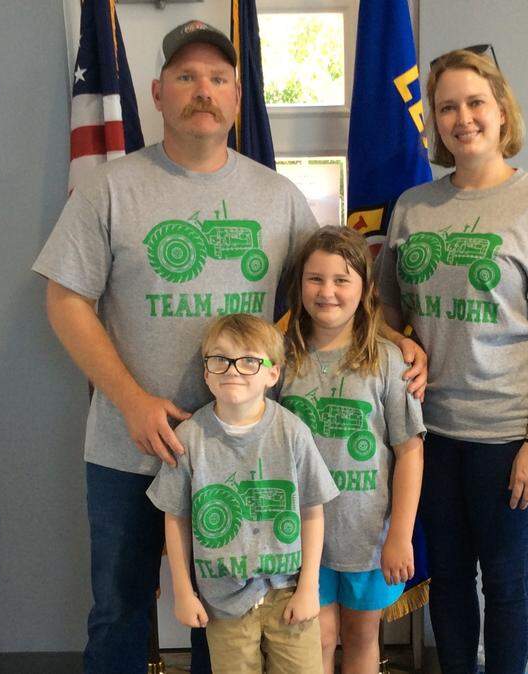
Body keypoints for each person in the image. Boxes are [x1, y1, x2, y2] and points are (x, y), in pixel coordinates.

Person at [32, 19, 323, 674]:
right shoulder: (109, 189)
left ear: (237, 97)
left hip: (242, 452)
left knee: (226, 617)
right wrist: (132, 401)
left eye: (218, 78)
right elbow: (64, 299)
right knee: (119, 608)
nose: (203, 90)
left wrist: (392, 344)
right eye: (187, 76)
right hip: (129, 445)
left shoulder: (277, 197)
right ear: (158, 92)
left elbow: (329, 293)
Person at [374, 47, 528, 674]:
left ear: (501, 110)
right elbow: (386, 316)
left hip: (509, 434)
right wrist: (401, 341)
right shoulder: (412, 207)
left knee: (504, 579)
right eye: (447, 107)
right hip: (428, 432)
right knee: (448, 579)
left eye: (475, 102)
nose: (462, 118)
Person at [147, 314, 339, 674]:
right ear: (206, 373)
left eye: (249, 360)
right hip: (223, 600)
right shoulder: (190, 438)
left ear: (273, 373)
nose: (233, 370)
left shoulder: (293, 433)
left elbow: (313, 511)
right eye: (220, 359)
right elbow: (176, 518)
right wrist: (183, 592)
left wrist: (309, 587)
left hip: (288, 593)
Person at [280, 227, 426, 674]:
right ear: (300, 284)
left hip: (368, 535)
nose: (327, 292)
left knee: (362, 638)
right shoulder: (281, 358)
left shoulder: (387, 360)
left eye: (341, 280)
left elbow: (409, 452)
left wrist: (400, 534)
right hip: (301, 537)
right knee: (318, 639)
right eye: (315, 279)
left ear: (365, 288)